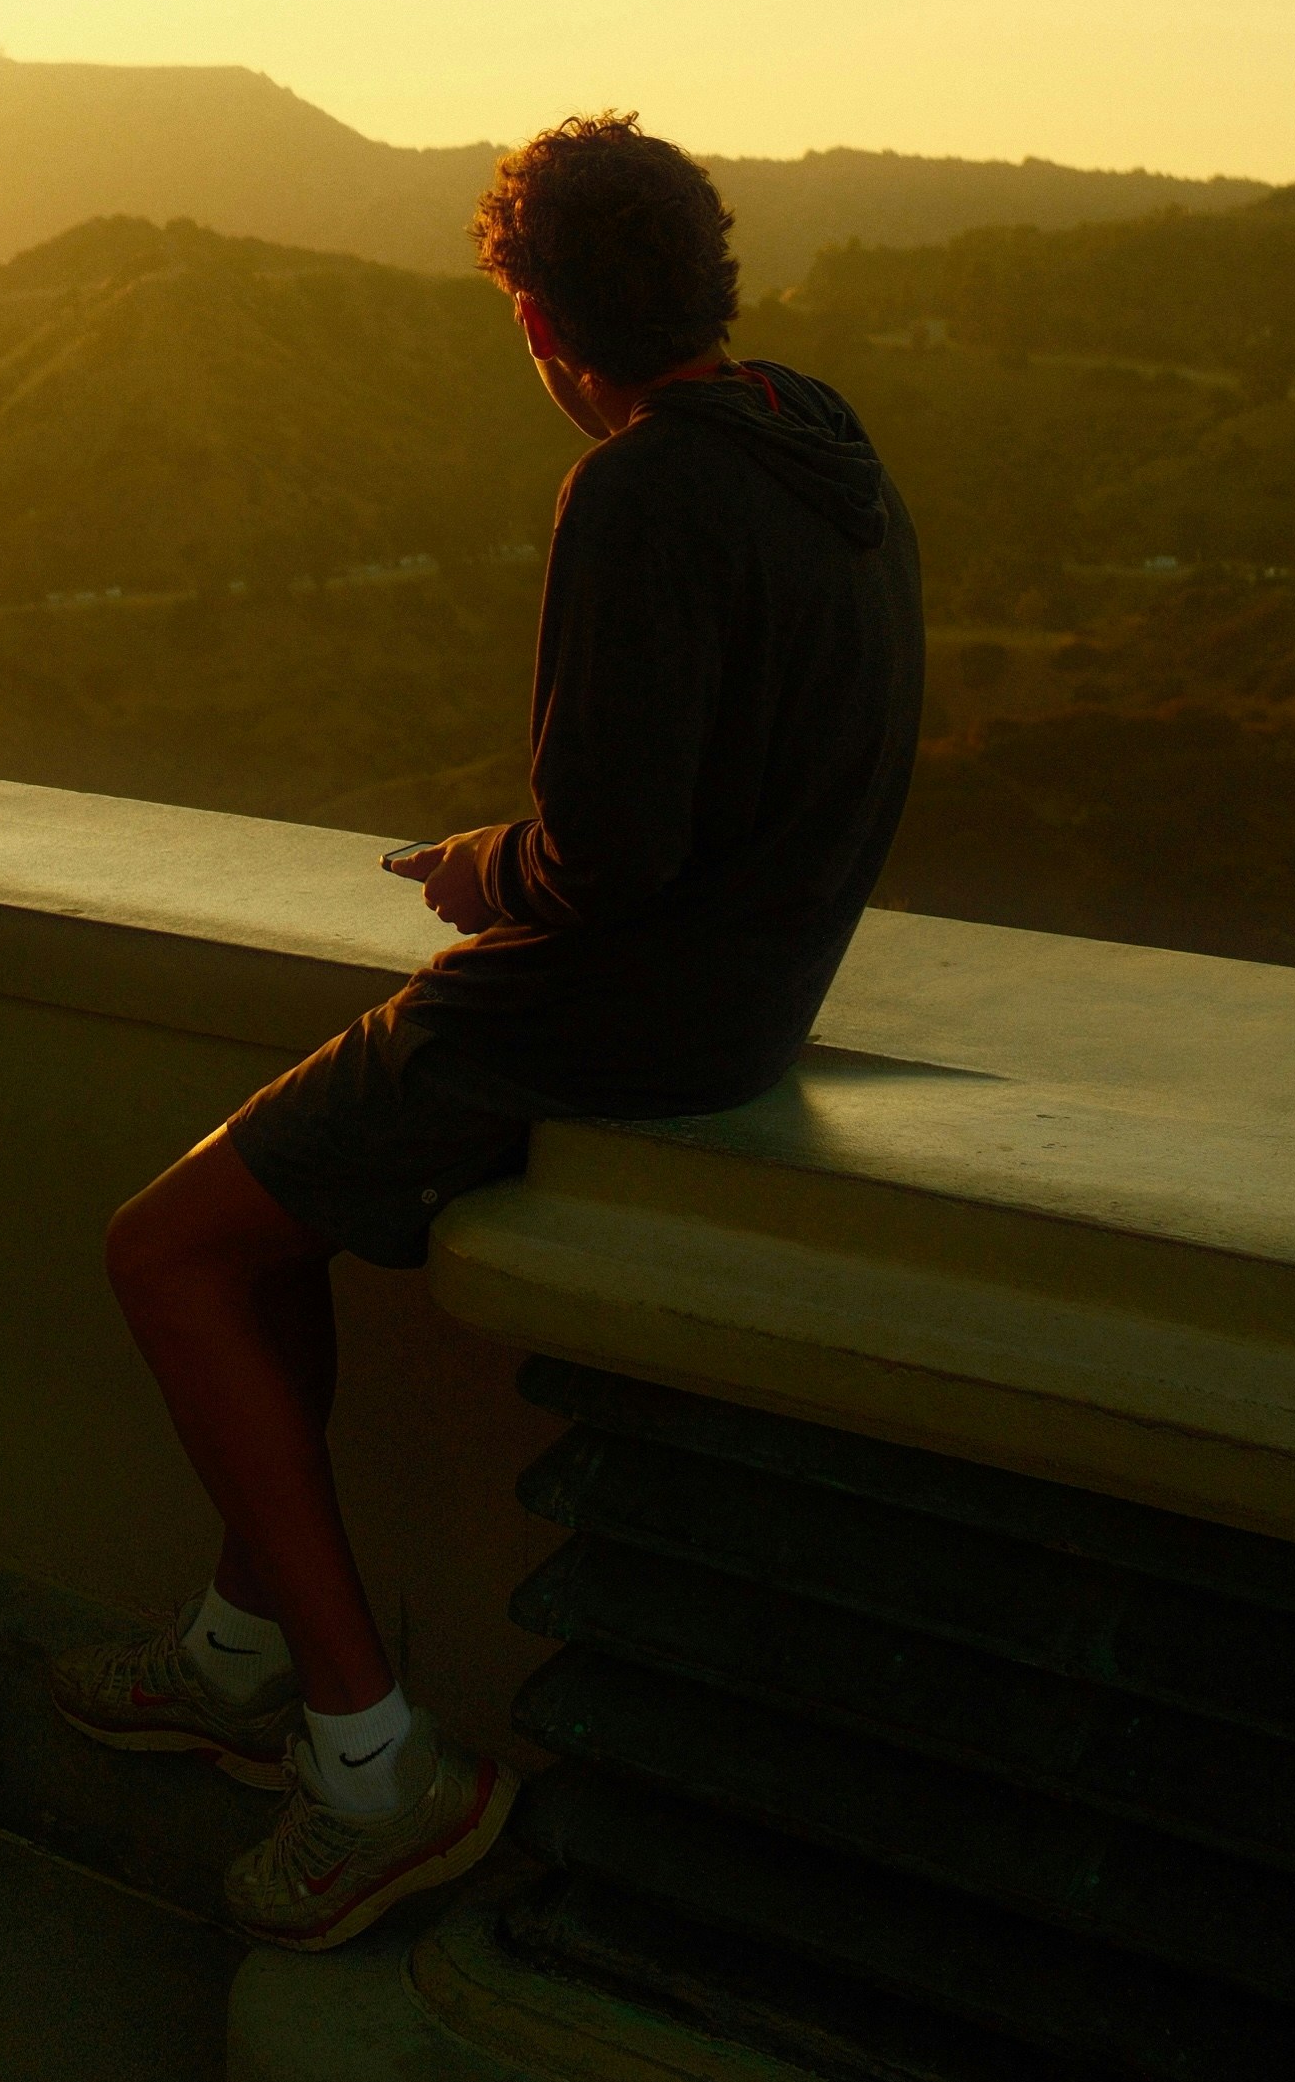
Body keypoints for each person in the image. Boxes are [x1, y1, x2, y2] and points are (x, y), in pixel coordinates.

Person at [50, 112, 924, 1950]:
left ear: (539, 322)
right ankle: (233, 1647)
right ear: (712, 277)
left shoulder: (636, 492)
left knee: (166, 1254)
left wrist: (476, 868)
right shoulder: (827, 452)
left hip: (601, 1016)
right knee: (268, 1214)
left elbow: (608, 854)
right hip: (748, 1006)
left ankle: (373, 1768)